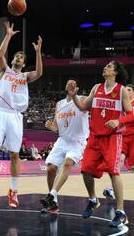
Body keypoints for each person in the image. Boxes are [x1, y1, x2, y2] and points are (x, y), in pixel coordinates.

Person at [0, 21, 43, 208]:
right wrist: (7, 35)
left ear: (23, 63)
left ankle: (14, 191)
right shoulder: (4, 71)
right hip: (0, 113)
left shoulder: (25, 77)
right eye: (16, 56)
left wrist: (38, 52)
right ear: (13, 59)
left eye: (21, 57)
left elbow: (39, 72)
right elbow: (0, 55)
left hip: (15, 116)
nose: (18, 58)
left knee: (15, 155)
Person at [67, 61, 134, 228]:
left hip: (112, 137)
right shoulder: (96, 88)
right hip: (95, 137)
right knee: (85, 170)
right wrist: (73, 95)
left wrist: (118, 121)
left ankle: (121, 212)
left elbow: (131, 115)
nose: (105, 67)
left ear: (116, 72)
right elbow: (83, 106)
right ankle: (93, 200)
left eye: (109, 66)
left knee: (113, 173)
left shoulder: (121, 91)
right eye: (105, 66)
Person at [40, 80, 89, 213]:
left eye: (73, 83)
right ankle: (53, 203)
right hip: (62, 140)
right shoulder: (59, 104)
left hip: (77, 141)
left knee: (67, 163)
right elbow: (57, 127)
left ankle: (51, 195)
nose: (70, 84)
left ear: (77, 88)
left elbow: (83, 108)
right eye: (68, 83)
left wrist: (74, 96)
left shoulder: (82, 99)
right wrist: (51, 127)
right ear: (65, 87)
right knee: (51, 168)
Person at [103, 84, 134, 199]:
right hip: (123, 135)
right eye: (125, 90)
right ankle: (112, 189)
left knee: (133, 165)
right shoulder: (121, 104)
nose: (126, 91)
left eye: (129, 90)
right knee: (119, 160)